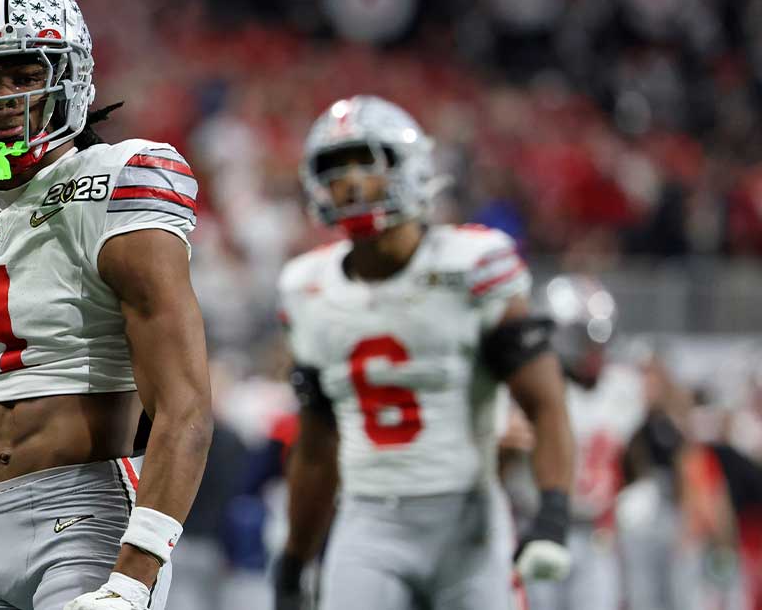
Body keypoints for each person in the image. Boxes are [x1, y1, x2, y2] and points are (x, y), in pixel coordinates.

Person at [0, 0, 213, 610]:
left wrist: (132, 579)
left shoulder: (117, 182)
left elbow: (185, 409)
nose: (3, 98)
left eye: (24, 75)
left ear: (68, 76)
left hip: (93, 522)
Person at [272, 96, 575, 610]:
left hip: (468, 523)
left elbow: (545, 403)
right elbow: (317, 444)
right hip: (368, 523)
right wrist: (295, 558)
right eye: (336, 167)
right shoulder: (307, 287)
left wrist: (553, 514)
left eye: (367, 162)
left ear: (409, 167)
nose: (351, 181)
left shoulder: (473, 264)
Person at [517, 275, 646, 610]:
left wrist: (630, 492)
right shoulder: (528, 390)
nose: (594, 351)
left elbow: (632, 456)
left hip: (594, 533)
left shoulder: (621, 389)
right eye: (582, 339)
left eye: (599, 339)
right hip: (536, 526)